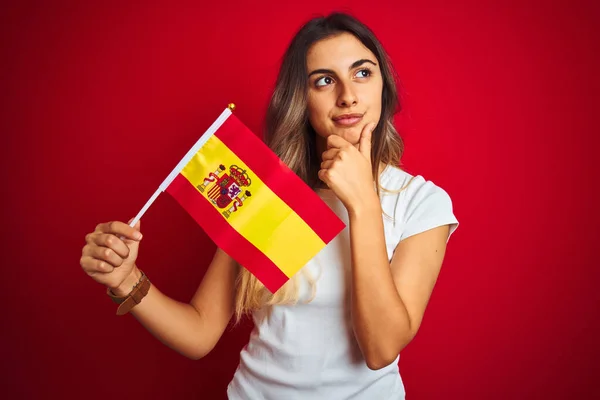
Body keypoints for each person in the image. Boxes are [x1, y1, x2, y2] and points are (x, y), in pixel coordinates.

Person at [80, 12, 459, 399]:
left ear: (384, 86)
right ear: (301, 98)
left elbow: (380, 349)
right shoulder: (268, 197)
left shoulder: (421, 202)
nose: (347, 95)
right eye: (324, 81)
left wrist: (362, 203)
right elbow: (199, 332)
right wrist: (126, 280)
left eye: (363, 73)